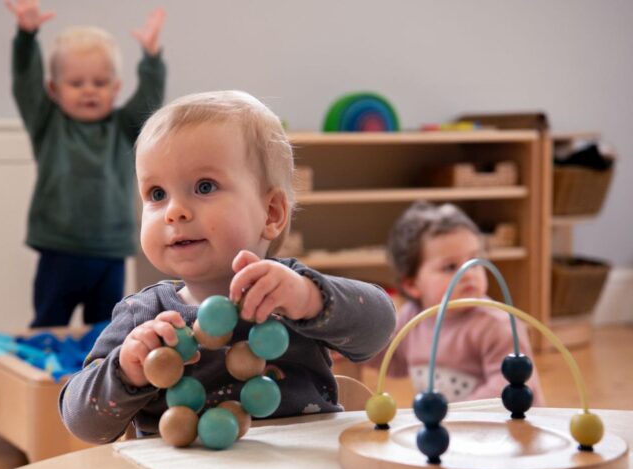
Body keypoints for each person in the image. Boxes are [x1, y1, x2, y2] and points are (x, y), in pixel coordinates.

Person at [59, 90, 397, 443]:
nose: (175, 211)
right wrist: (126, 369)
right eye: (157, 194)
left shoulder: (292, 293)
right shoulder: (143, 317)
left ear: (271, 213)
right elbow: (81, 423)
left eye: (205, 186)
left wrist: (310, 300)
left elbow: (380, 328)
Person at [5, 0, 166, 327]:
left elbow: (150, 99)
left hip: (110, 253)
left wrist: (151, 60)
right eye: (77, 84)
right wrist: (26, 36)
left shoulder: (123, 128)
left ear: (116, 88)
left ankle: (98, 379)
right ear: (53, 89)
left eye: (100, 83)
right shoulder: (47, 123)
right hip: (59, 249)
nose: (89, 91)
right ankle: (48, 378)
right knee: (49, 324)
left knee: (106, 330)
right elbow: (25, 80)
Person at [366, 201, 545, 404]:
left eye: (474, 260)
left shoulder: (497, 325)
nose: (468, 274)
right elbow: (394, 360)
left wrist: (454, 415)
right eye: (450, 267)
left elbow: (508, 386)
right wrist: (352, 350)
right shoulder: (411, 317)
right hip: (450, 428)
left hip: (506, 428)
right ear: (412, 284)